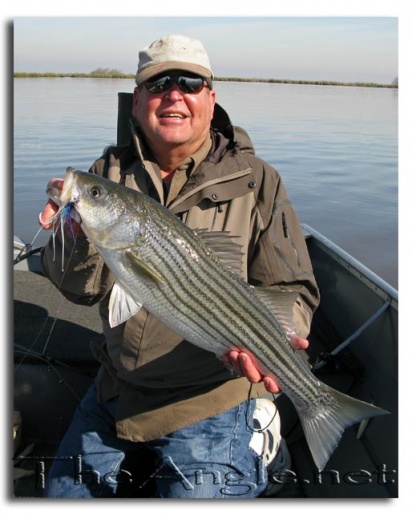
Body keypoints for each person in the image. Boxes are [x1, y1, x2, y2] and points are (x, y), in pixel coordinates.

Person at [39, 34, 320, 498]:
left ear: (210, 98)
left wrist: (275, 335)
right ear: (136, 103)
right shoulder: (108, 174)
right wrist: (73, 240)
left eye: (190, 82)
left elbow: (292, 287)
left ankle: (280, 424)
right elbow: (79, 291)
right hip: (115, 388)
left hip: (212, 397)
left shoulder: (258, 180)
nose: (174, 94)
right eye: (157, 83)